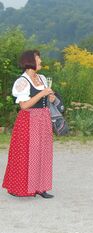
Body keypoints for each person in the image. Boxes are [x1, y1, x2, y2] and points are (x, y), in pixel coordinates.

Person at [2, 50, 55, 198]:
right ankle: (19, 187)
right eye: (38, 60)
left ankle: (41, 187)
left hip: (43, 119)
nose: (40, 62)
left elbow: (45, 97)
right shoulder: (22, 82)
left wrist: (50, 96)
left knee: (43, 153)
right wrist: (41, 94)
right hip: (28, 120)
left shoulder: (42, 78)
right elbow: (24, 106)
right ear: (30, 61)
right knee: (25, 154)